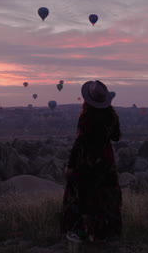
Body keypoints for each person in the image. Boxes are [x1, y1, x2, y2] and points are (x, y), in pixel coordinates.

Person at [60, 80, 122, 243]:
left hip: (88, 161)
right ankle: (106, 232)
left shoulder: (86, 117)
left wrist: (70, 166)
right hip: (106, 160)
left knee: (83, 195)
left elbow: (79, 143)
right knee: (106, 195)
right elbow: (116, 137)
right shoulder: (112, 116)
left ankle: (81, 231)